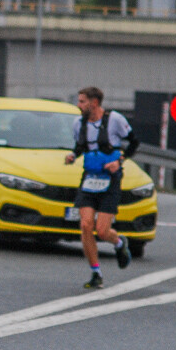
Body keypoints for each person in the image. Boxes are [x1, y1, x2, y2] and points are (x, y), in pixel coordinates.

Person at [63, 86, 139, 289]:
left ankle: (119, 243)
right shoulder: (78, 123)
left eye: (82, 101)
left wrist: (119, 161)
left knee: (102, 231)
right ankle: (96, 272)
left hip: (110, 179)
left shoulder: (115, 120)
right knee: (86, 225)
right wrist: (73, 156)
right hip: (89, 178)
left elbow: (134, 142)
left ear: (94, 102)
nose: (78, 105)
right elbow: (80, 147)